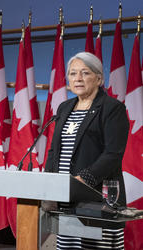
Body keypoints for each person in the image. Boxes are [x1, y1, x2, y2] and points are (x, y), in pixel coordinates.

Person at [45, 52, 129, 249]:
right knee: (69, 245)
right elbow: (54, 151)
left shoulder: (111, 108)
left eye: (85, 73)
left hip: (97, 198)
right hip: (66, 199)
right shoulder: (64, 108)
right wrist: (48, 184)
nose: (78, 79)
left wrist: (82, 180)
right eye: (73, 74)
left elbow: (113, 154)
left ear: (99, 78)